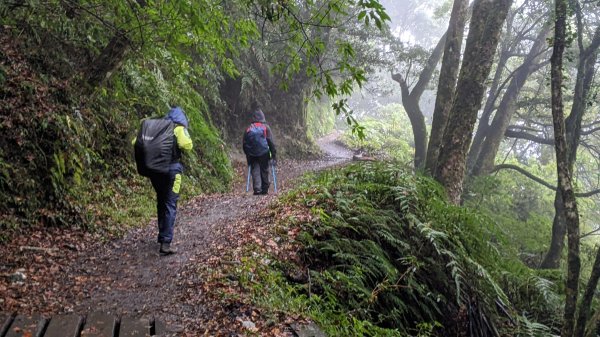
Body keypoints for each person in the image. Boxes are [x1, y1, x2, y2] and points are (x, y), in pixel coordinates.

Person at [135, 106, 193, 255]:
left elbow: (136, 141)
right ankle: (165, 242)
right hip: (173, 172)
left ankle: (162, 234)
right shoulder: (178, 128)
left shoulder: (157, 128)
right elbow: (187, 145)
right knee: (170, 203)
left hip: (156, 172)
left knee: (161, 201)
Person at [243, 102, 276, 195]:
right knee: (264, 168)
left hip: (252, 153)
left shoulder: (249, 128)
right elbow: (271, 142)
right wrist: (273, 155)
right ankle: (265, 189)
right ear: (263, 117)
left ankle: (257, 188)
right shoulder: (266, 127)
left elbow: (244, 143)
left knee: (255, 168)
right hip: (264, 152)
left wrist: (248, 155)